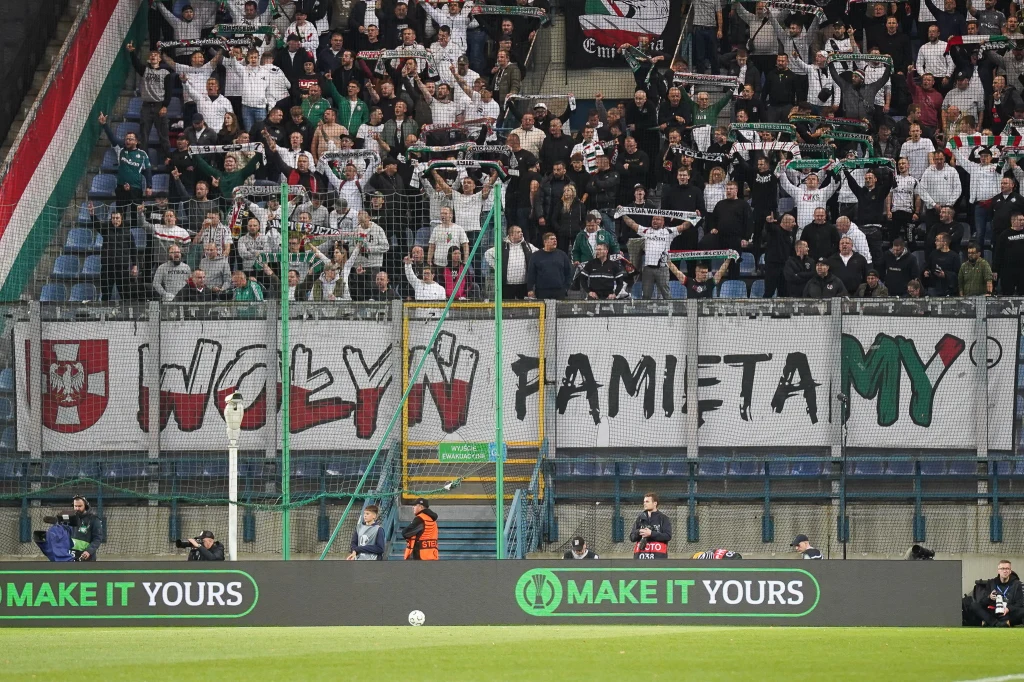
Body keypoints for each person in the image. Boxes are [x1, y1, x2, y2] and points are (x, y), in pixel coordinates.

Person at [968, 560, 1024, 626]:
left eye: (1007, 569)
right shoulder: (991, 583)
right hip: (993, 612)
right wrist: (989, 597)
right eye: (1002, 568)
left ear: (1010, 571)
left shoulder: (1016, 584)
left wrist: (1008, 609)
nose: (1005, 571)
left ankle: (990, 623)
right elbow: (982, 602)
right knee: (974, 605)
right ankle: (997, 623)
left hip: (1007, 613)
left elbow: (1019, 603)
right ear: (998, 571)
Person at [527, 233, 574, 300]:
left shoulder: (562, 255)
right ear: (545, 242)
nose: (555, 241)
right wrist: (530, 289)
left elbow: (568, 272)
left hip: (559, 291)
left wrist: (566, 287)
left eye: (555, 239)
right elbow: (531, 273)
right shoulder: (536, 256)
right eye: (552, 239)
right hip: (542, 291)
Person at [629, 492, 672, 560]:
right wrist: (639, 532)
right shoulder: (640, 518)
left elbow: (668, 536)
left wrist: (651, 534)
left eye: (647, 501)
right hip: (641, 557)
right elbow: (632, 537)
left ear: (655, 503)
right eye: (644, 502)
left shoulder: (663, 518)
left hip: (658, 557)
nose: (644, 503)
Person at [70, 496, 103, 561]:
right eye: (75, 506)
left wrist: (89, 551)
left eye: (80, 506)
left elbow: (97, 538)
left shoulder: (94, 520)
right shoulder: (70, 519)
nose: (77, 508)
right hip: (70, 556)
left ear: (85, 506)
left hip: (86, 557)